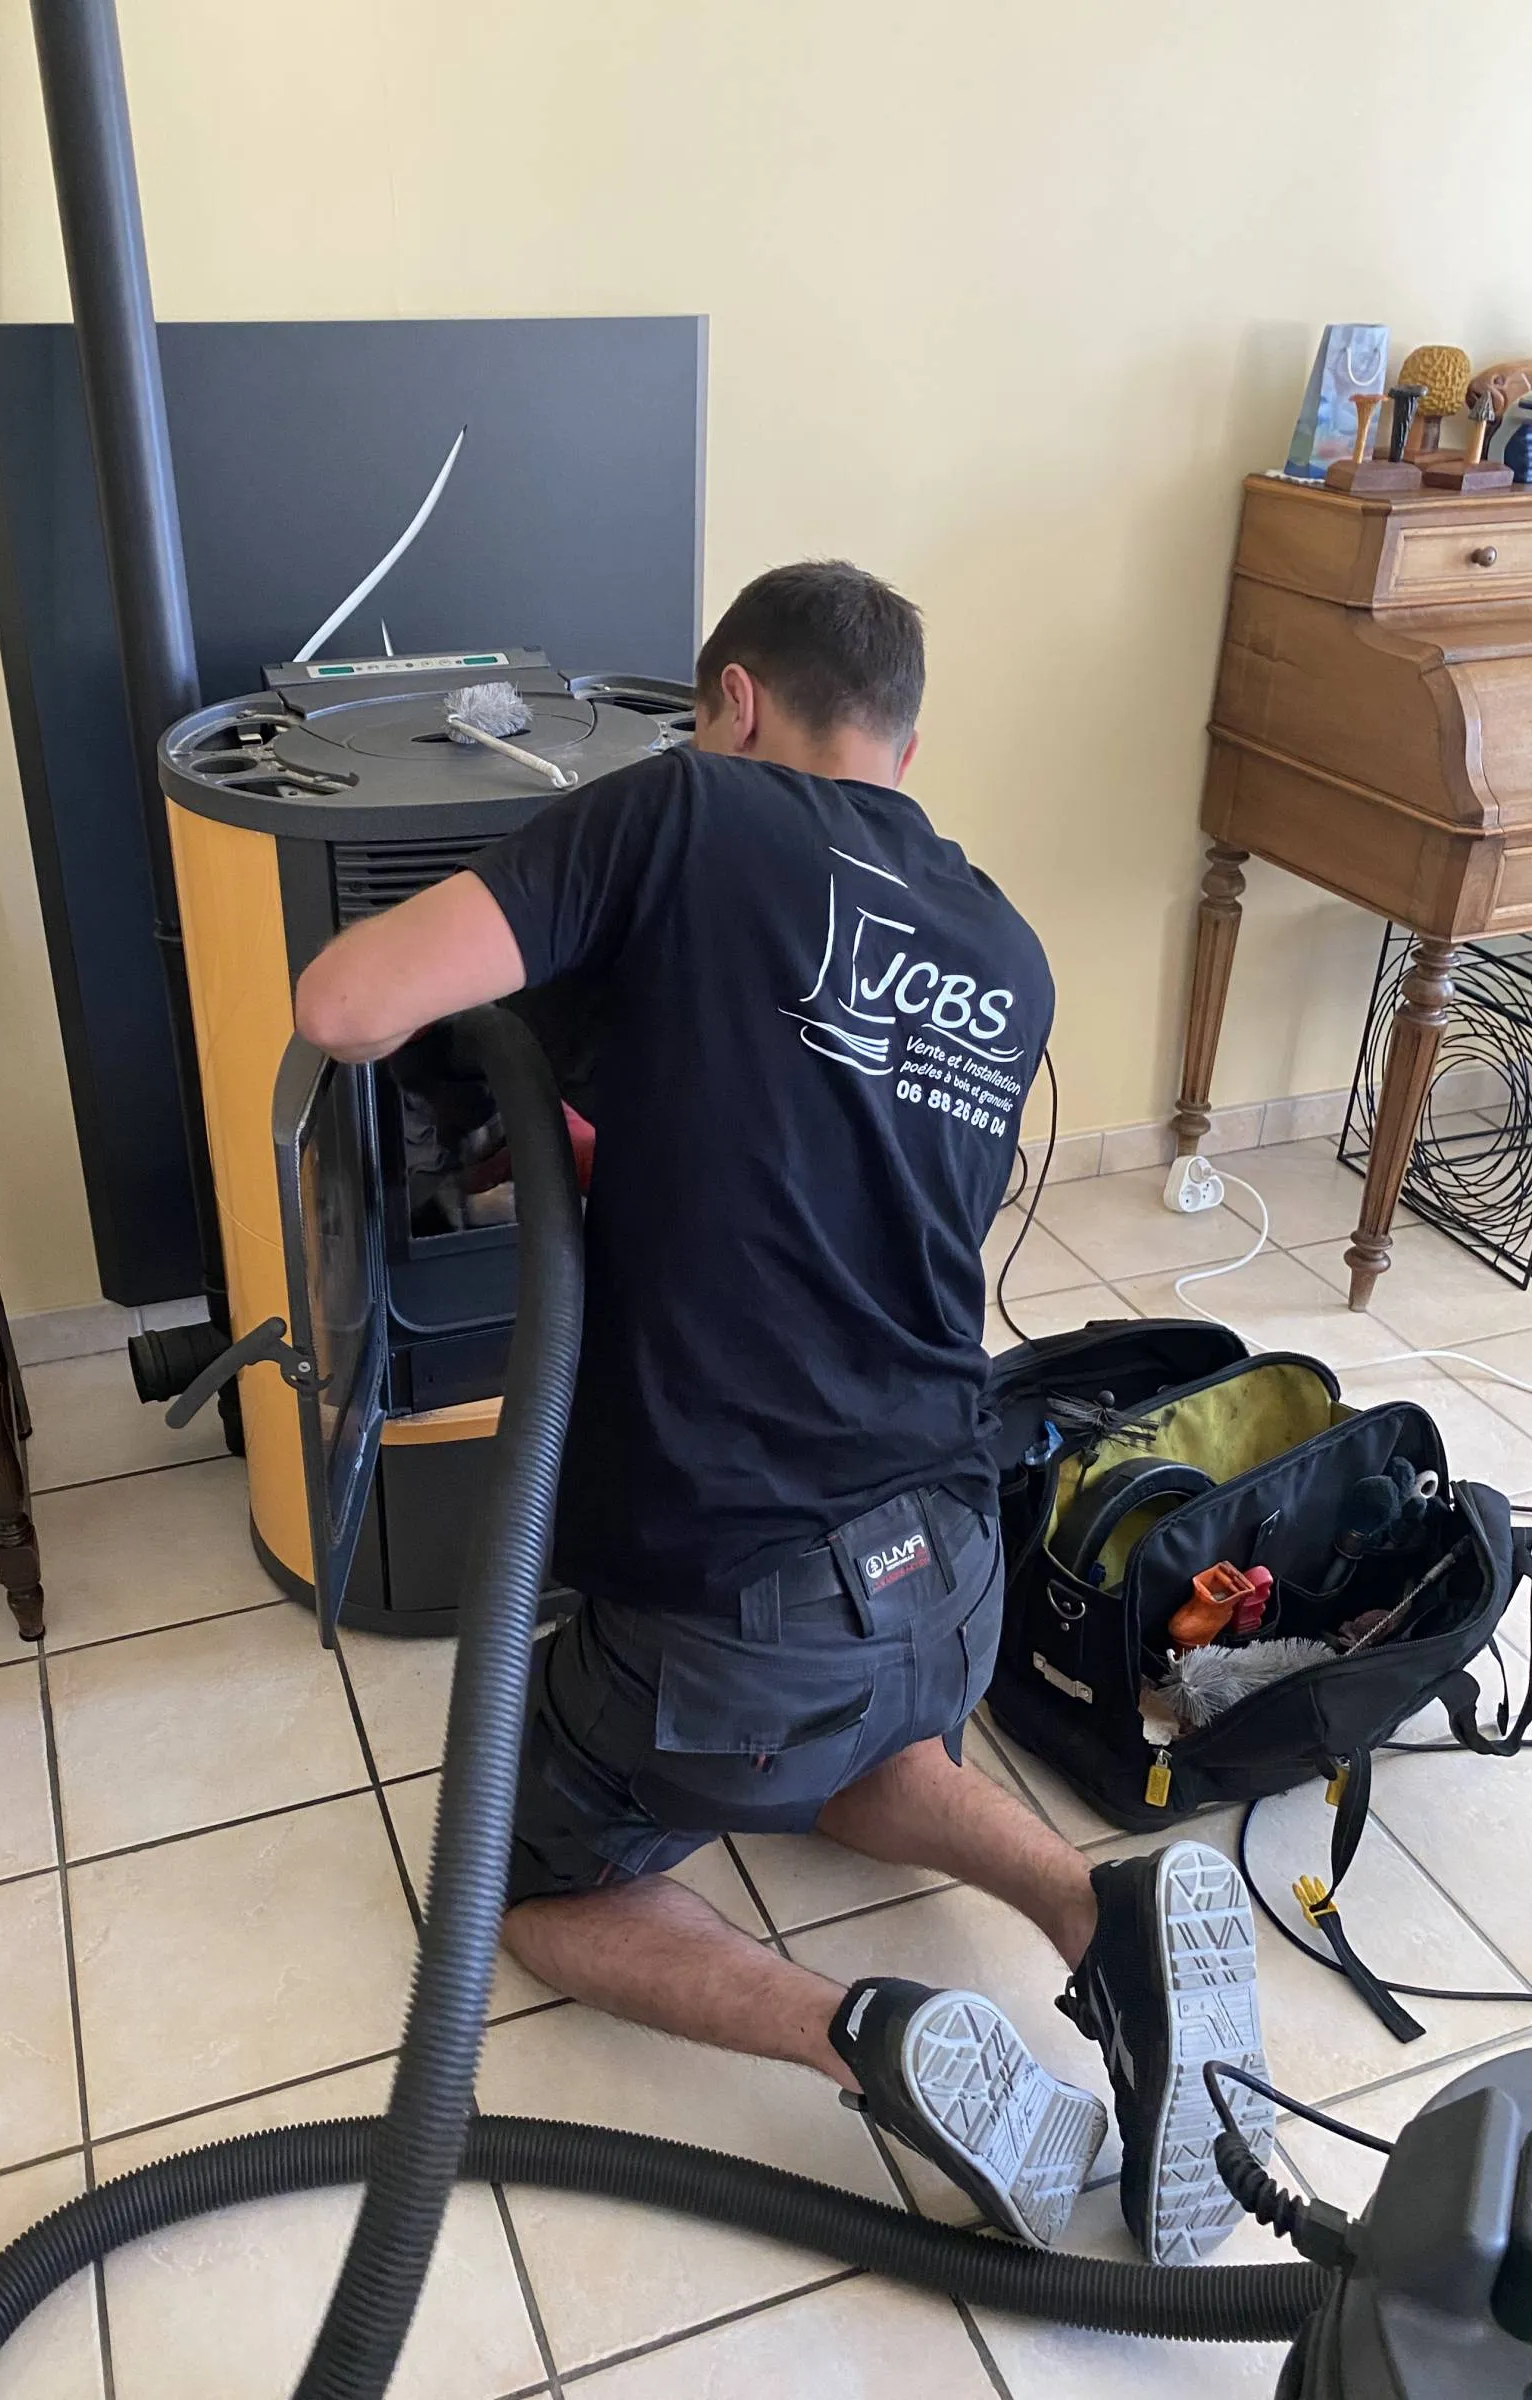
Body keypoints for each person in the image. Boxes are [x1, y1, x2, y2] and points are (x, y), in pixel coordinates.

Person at [293, 560, 1269, 2266]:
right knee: (850, 1740)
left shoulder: (682, 810)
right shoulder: (1005, 947)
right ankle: (1091, 1904)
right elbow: (807, 1147)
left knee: (520, 1879)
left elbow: (348, 1005)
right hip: (951, 1573)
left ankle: (861, 2034)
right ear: (900, 741)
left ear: (731, 702)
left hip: (741, 1617)